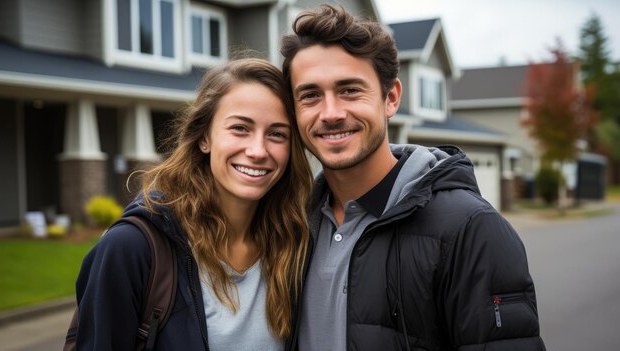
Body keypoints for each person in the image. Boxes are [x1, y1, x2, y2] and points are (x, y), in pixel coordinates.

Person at [280, 4, 546, 351]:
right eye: (311, 95)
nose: (331, 113)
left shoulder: (471, 228)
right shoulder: (290, 225)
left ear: (391, 98)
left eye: (349, 90)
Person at [72, 58, 313, 350]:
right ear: (204, 138)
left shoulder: (296, 243)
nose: (258, 150)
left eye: (277, 134)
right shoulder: (132, 248)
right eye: (240, 128)